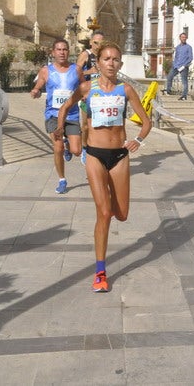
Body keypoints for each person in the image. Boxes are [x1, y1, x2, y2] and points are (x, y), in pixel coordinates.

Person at [56, 41, 152, 292]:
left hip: (119, 155)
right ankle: (100, 272)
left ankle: (111, 203)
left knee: (121, 214)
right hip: (95, 155)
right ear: (98, 63)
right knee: (103, 211)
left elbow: (146, 122)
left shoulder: (126, 89)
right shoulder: (87, 88)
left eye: (116, 59)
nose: (111, 63)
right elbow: (66, 107)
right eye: (107, 59)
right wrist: (60, 129)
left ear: (120, 64)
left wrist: (138, 141)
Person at [30, 38, 83, 194]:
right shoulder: (46, 70)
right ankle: (62, 179)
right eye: (59, 49)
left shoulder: (77, 69)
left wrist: (87, 96)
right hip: (53, 114)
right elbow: (39, 85)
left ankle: (69, 146)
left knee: (77, 151)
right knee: (57, 147)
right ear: (53, 52)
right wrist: (36, 91)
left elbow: (83, 86)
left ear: (68, 52)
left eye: (65, 49)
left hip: (72, 114)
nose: (62, 52)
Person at [76, 31, 105, 164]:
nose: (98, 46)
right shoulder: (85, 55)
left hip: (101, 94)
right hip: (86, 95)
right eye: (96, 43)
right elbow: (75, 73)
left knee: (100, 125)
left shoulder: (104, 56)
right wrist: (90, 71)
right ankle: (84, 148)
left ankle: (97, 150)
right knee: (86, 126)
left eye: (101, 43)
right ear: (90, 43)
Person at [164, 31, 193, 100]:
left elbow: (190, 58)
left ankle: (184, 96)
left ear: (186, 38)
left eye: (185, 37)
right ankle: (168, 90)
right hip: (176, 66)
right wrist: (174, 64)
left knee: (184, 82)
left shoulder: (189, 47)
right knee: (169, 77)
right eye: (182, 37)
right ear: (180, 38)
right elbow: (176, 57)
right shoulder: (177, 47)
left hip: (184, 67)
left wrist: (184, 66)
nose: (184, 38)